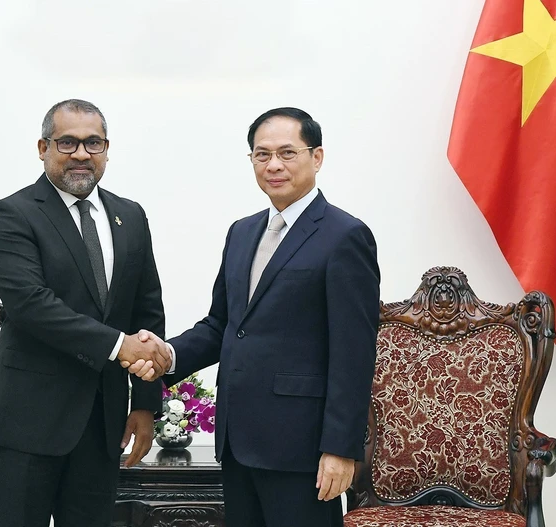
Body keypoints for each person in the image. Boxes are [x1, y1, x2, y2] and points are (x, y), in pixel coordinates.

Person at [129, 107, 380, 527]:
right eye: (261, 155)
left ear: (316, 157)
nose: (274, 165)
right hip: (238, 439)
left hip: (302, 449)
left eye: (287, 152)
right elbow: (222, 325)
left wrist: (341, 448)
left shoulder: (345, 236)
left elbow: (354, 354)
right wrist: (167, 355)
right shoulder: (242, 232)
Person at [0, 99, 171, 527]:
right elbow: (31, 304)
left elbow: (147, 308)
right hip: (30, 420)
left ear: (107, 148)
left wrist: (145, 403)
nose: (81, 154)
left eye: (93, 143)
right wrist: (118, 345)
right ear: (42, 147)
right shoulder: (13, 214)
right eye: (67, 142)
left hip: (103, 421)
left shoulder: (130, 215)